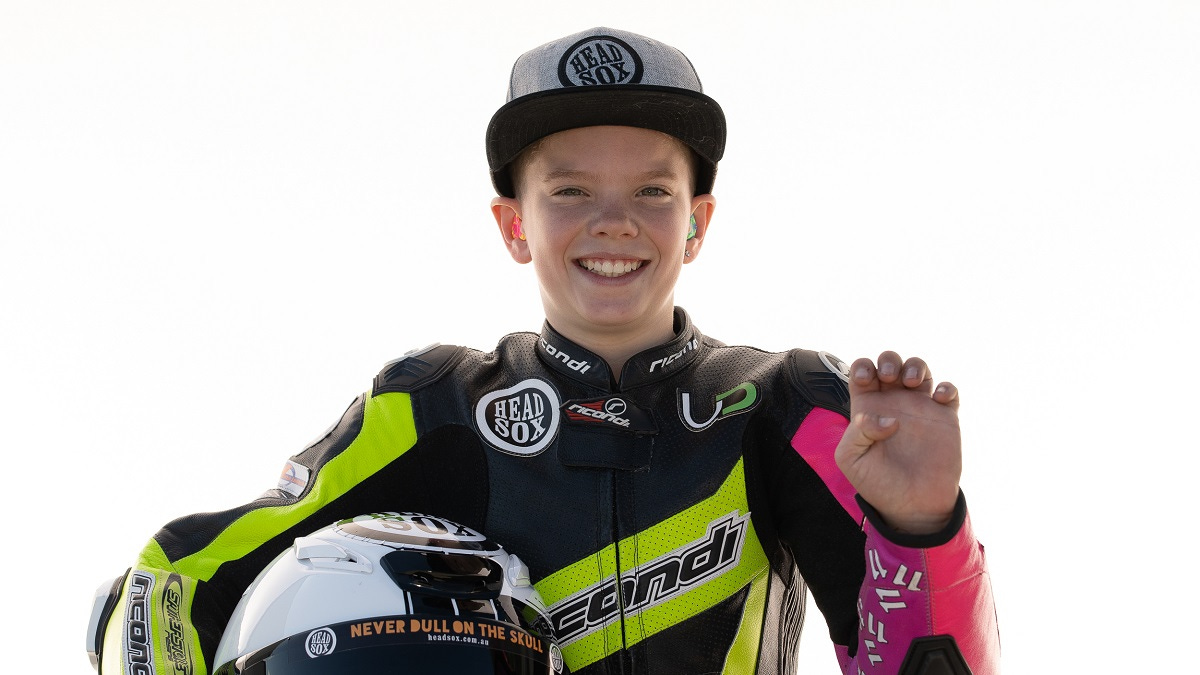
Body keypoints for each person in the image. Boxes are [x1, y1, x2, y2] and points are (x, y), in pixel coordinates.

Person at [87, 27, 999, 675]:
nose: (614, 221)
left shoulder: (786, 405)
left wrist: (925, 525)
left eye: (653, 190)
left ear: (698, 223)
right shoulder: (430, 407)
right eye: (569, 190)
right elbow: (175, 579)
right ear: (514, 225)